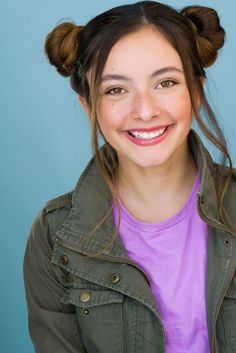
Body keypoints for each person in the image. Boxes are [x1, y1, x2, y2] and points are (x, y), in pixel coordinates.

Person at [23, 1, 236, 353]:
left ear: (196, 92)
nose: (145, 110)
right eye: (116, 90)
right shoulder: (53, 237)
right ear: (89, 106)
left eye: (166, 82)